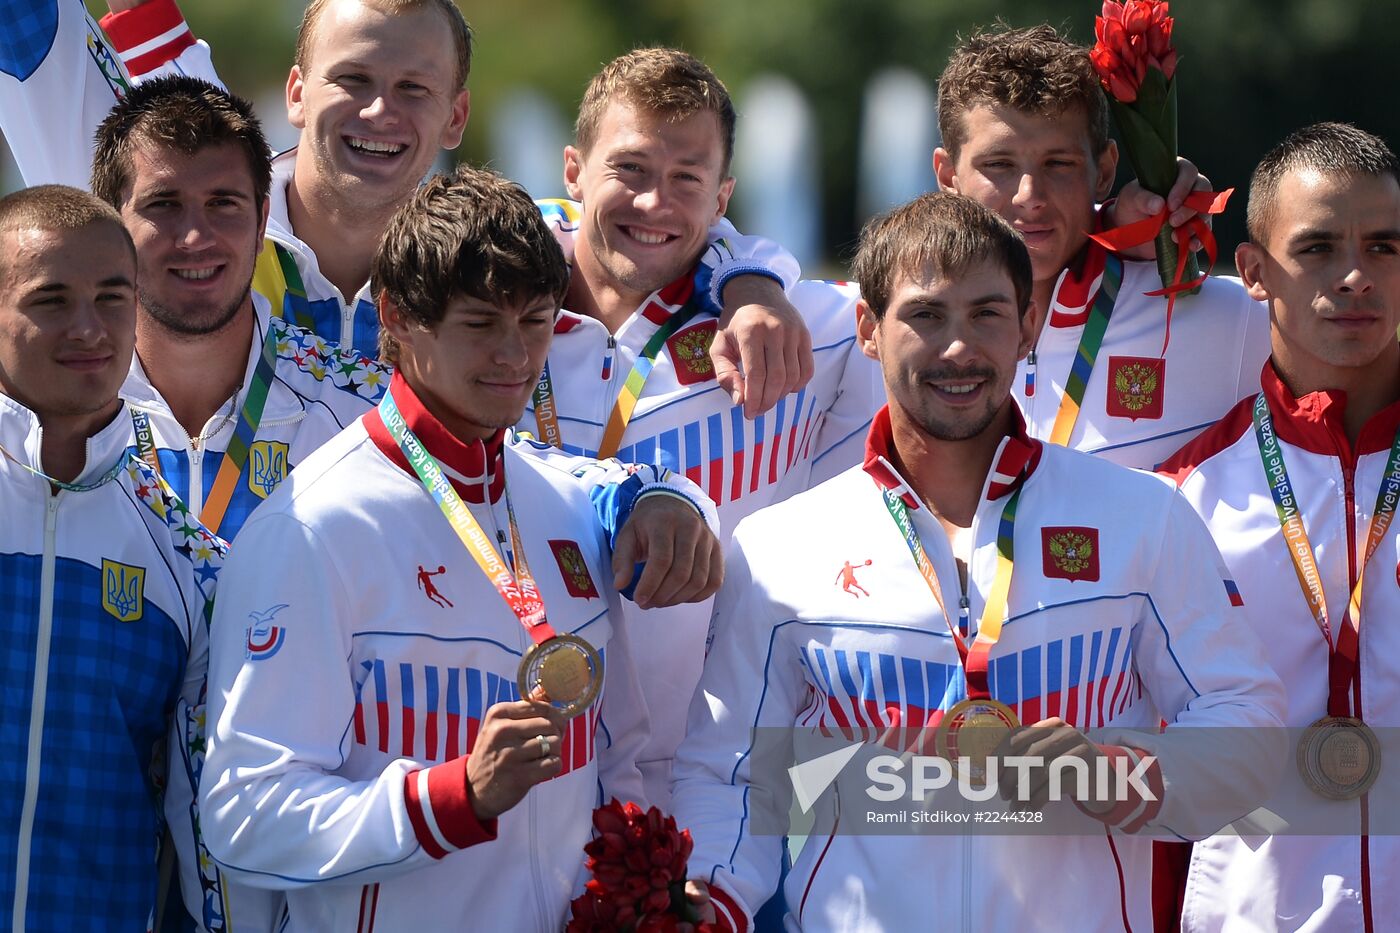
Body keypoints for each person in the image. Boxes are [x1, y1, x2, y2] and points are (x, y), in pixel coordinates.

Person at [670, 191, 1286, 932]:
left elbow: (1248, 717)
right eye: (926, 315)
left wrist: (1130, 773)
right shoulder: (781, 543)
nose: (957, 347)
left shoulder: (1141, 514)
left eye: (986, 314)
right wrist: (711, 900)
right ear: (868, 329)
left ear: (1027, 326)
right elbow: (733, 768)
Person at [199, 165, 723, 930]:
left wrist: (647, 892)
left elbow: (617, 758)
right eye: (481, 323)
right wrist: (454, 797)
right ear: (399, 318)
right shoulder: (315, 527)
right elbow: (243, 815)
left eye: (536, 321)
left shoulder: (564, 502)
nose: (515, 356)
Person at [63, 0, 815, 406]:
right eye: (352, 81)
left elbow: (640, 228)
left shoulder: (487, 244)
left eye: (413, 90)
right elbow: (139, 24)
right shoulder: (208, 216)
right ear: (296, 93)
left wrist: (751, 282)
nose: (379, 112)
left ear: (455, 116)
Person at [523, 48, 884, 805]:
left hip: (710, 787)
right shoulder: (492, 313)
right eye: (629, 168)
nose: (655, 202)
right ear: (572, 171)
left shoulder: (794, 330)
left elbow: (958, 290)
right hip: (520, 774)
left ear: (723, 198)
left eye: (686, 178)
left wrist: (755, 277)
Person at [1160, 122, 1400, 932]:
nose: (1357, 275)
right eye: (1320, 248)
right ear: (1254, 273)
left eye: (1384, 247)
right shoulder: (1183, 497)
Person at [0, 184, 222, 930]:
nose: (89, 328)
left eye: (112, 297)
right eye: (50, 299)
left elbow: (203, 832)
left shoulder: (190, 557)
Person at [930, 24, 1270, 469]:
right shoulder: (896, 327)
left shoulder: (1225, 317)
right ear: (947, 176)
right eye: (998, 165)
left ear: (1105, 170)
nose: (1029, 194)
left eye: (1059, 164)